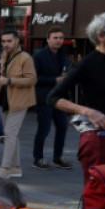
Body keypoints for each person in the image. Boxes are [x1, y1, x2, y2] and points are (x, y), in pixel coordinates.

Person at [48, 11, 105, 183]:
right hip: (99, 137)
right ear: (101, 36)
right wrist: (87, 112)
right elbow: (54, 97)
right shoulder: (86, 64)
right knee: (99, 190)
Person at [0, 31, 36, 178]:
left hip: (19, 100)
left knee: (9, 134)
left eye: (9, 41)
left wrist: (8, 81)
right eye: (3, 41)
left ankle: (5, 168)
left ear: (17, 41)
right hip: (6, 98)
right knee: (12, 135)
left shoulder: (25, 57)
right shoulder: (6, 56)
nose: (6, 44)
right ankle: (15, 167)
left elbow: (32, 80)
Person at [31, 27, 72, 170]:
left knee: (63, 127)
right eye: (55, 38)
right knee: (44, 129)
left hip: (59, 98)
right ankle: (38, 158)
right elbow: (34, 78)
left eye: (61, 38)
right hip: (44, 97)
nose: (58, 40)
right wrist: (55, 80)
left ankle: (58, 157)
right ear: (48, 39)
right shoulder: (39, 56)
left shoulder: (63, 54)